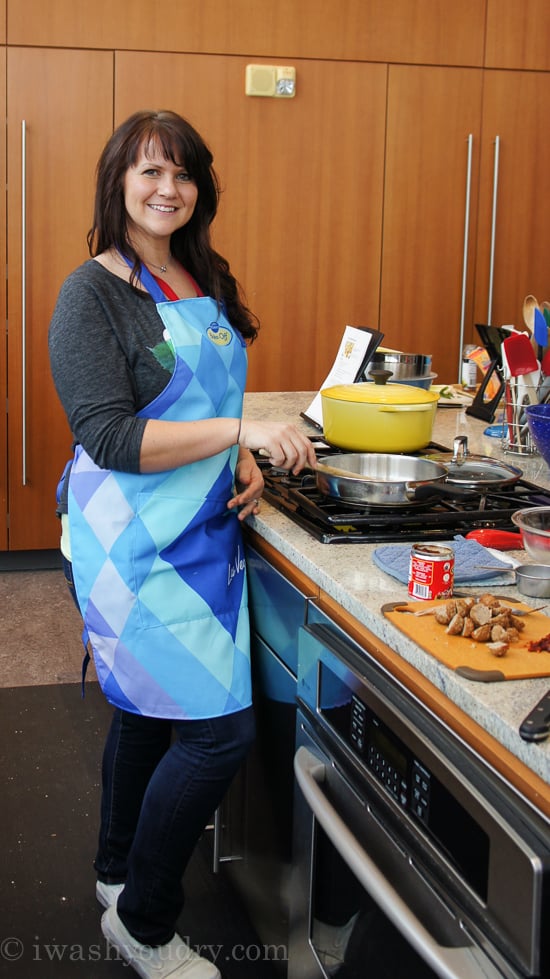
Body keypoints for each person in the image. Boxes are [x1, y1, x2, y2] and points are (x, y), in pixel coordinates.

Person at [48, 109, 316, 979]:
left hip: (200, 528)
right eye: (149, 172)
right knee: (216, 735)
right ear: (118, 181)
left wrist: (240, 453)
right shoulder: (90, 294)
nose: (168, 189)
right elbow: (114, 438)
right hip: (129, 543)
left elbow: (201, 411)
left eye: (184, 173)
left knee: (142, 711)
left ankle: (117, 869)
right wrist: (241, 426)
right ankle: (145, 920)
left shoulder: (201, 271)